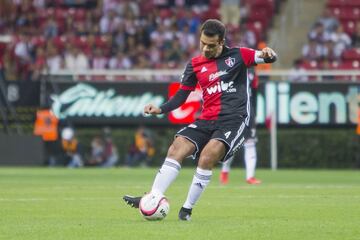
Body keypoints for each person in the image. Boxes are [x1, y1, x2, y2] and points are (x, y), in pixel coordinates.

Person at [123, 19, 277, 221]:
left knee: (207, 156)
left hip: (234, 120)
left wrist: (269, 54)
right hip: (207, 119)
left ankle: (186, 210)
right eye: (202, 43)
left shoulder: (240, 55)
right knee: (176, 147)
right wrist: (161, 108)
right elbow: (182, 95)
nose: (205, 48)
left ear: (222, 42)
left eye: (211, 45)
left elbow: (267, 58)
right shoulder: (195, 64)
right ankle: (153, 197)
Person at [219, 68, 261, 185]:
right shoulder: (230, 68)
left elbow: (255, 93)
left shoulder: (252, 72)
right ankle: (225, 171)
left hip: (249, 111)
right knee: (232, 142)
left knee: (250, 142)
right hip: (233, 110)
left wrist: (255, 113)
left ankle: (250, 177)